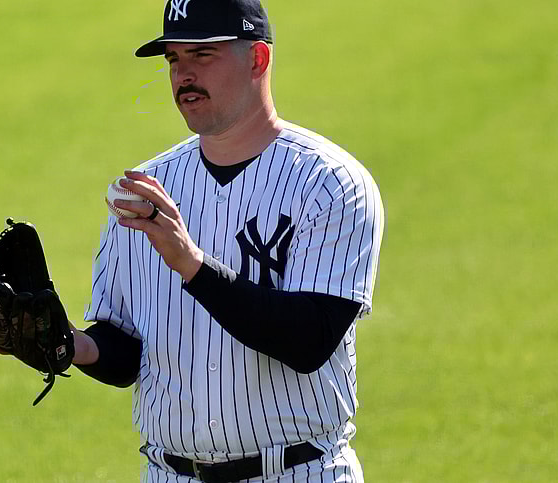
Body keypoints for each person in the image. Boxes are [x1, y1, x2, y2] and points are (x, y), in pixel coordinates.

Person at [70, 1, 385, 481]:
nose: (183, 75)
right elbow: (128, 352)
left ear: (257, 59)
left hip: (297, 472)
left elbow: (309, 340)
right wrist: (64, 344)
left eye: (202, 55)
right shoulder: (143, 191)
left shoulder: (330, 183)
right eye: (174, 59)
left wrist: (192, 265)